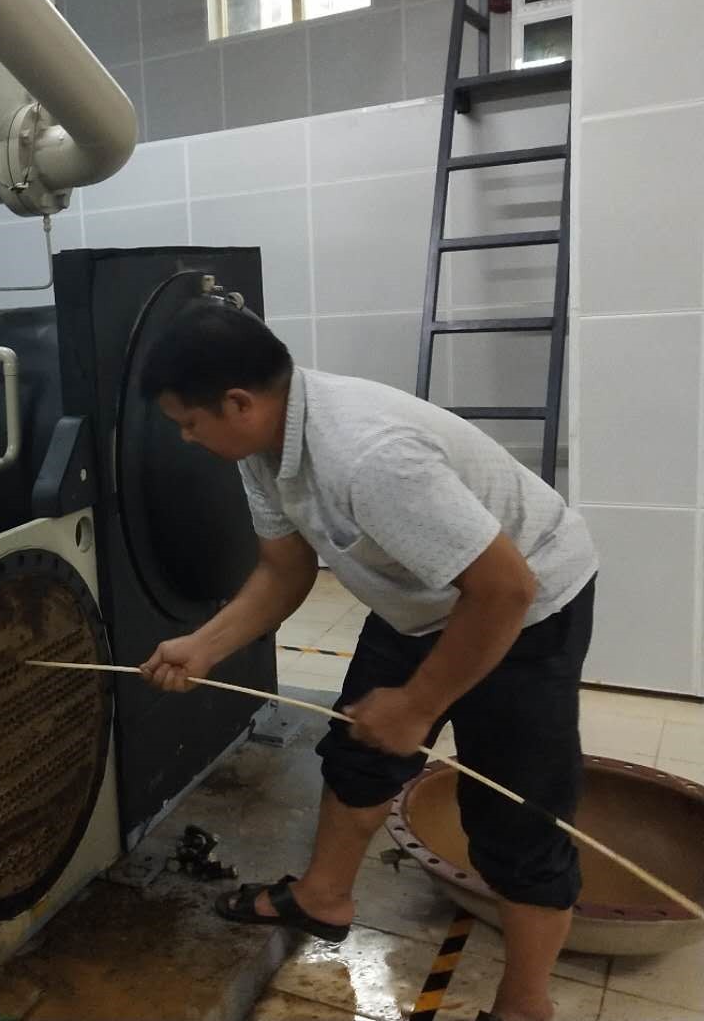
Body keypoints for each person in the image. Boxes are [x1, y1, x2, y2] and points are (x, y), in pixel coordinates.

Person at [138, 302, 598, 1021]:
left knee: (516, 814)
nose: (187, 438)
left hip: (527, 605)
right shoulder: (262, 447)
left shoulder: (367, 456)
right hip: (422, 595)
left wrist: (418, 704)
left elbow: (505, 589)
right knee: (359, 755)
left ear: (239, 402)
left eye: (189, 422)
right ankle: (323, 897)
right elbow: (285, 569)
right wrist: (206, 646)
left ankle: (524, 1005)